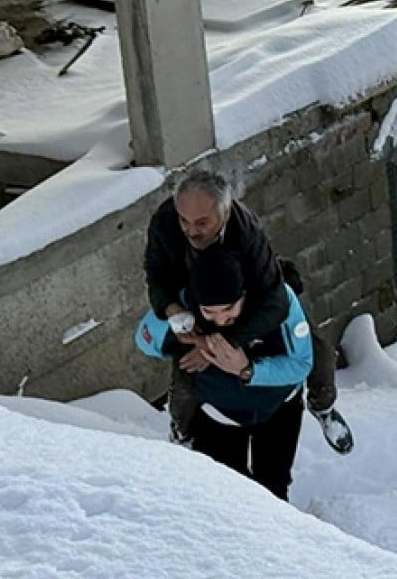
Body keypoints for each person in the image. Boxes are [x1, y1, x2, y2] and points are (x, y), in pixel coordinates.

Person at [144, 170, 354, 454]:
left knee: (316, 349)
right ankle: (182, 431)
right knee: (186, 369)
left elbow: (275, 301)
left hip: (250, 293)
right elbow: (156, 274)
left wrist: (223, 344)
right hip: (196, 298)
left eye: (202, 223)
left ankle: (323, 405)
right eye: (184, 221)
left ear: (225, 212)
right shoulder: (164, 223)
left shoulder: (246, 232)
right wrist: (172, 309)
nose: (191, 231)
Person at [135, 245, 313, 500]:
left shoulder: (278, 301)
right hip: (218, 415)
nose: (220, 319)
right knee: (229, 494)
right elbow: (144, 339)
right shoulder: (186, 304)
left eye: (229, 309)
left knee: (273, 487)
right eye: (210, 312)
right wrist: (182, 328)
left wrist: (247, 369)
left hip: (278, 408)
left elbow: (301, 363)